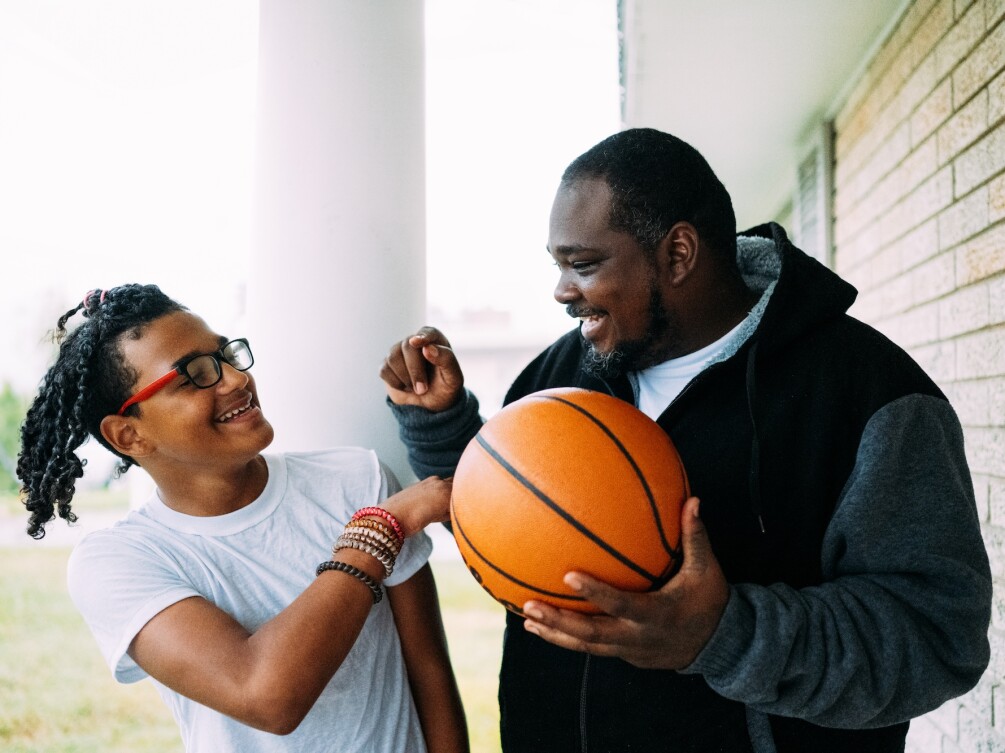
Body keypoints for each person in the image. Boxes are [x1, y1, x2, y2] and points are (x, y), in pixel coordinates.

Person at [379, 128, 992, 753]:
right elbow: (510, 531)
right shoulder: (557, 378)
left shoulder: (869, 394)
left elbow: (938, 637)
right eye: (558, 266)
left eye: (583, 265)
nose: (562, 291)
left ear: (677, 254)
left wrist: (724, 634)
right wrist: (442, 422)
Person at [18, 284, 469, 753]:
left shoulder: (359, 478)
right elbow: (267, 695)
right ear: (128, 435)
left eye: (226, 356)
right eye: (194, 376)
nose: (234, 380)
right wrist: (379, 530)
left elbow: (430, 674)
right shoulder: (117, 562)